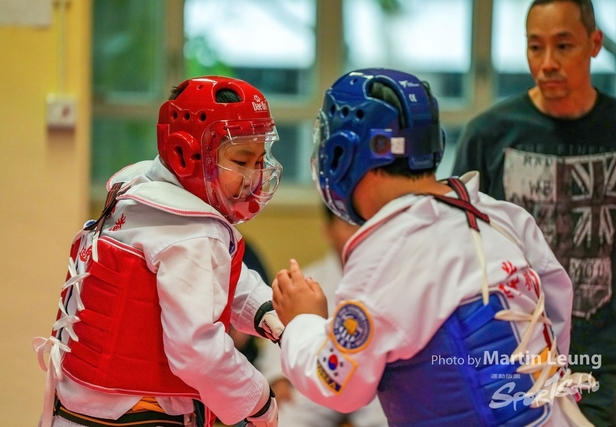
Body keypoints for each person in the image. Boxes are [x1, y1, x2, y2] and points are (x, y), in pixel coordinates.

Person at [271, 67, 596, 427]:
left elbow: (337, 384)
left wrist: (302, 321)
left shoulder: (389, 248)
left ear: (341, 154)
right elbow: (558, 308)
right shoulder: (500, 215)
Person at [32, 76, 286, 427]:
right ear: (185, 153)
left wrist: (271, 314)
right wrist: (259, 401)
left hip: (80, 410)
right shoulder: (194, 234)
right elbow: (198, 353)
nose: (254, 178)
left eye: (259, 162)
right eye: (241, 161)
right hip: (136, 417)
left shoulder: (139, 196)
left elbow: (209, 276)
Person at [452, 1, 616, 424]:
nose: (547, 63)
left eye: (563, 46)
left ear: (594, 43)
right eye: (535, 47)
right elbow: (459, 250)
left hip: (607, 356)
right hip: (515, 352)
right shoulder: (488, 135)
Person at [255, 206, 388, 427]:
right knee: (286, 418)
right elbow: (277, 328)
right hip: (317, 377)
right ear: (328, 229)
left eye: (363, 223)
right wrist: (277, 377)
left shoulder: (389, 277)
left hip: (376, 380)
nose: (357, 232)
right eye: (348, 223)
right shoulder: (308, 279)